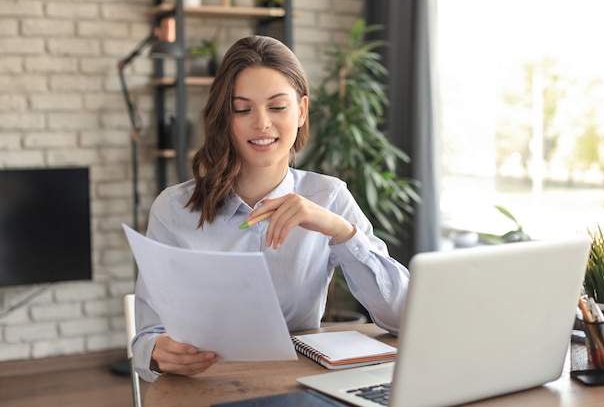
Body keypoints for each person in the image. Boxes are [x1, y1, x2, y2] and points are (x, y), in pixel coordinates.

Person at [132, 35, 410, 382]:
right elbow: (146, 340)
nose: (262, 123)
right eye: (242, 109)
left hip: (297, 385)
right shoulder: (174, 209)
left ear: (301, 111)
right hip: (205, 385)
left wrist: (340, 231)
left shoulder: (329, 196)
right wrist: (160, 351)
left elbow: (404, 317)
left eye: (277, 107)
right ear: (224, 118)